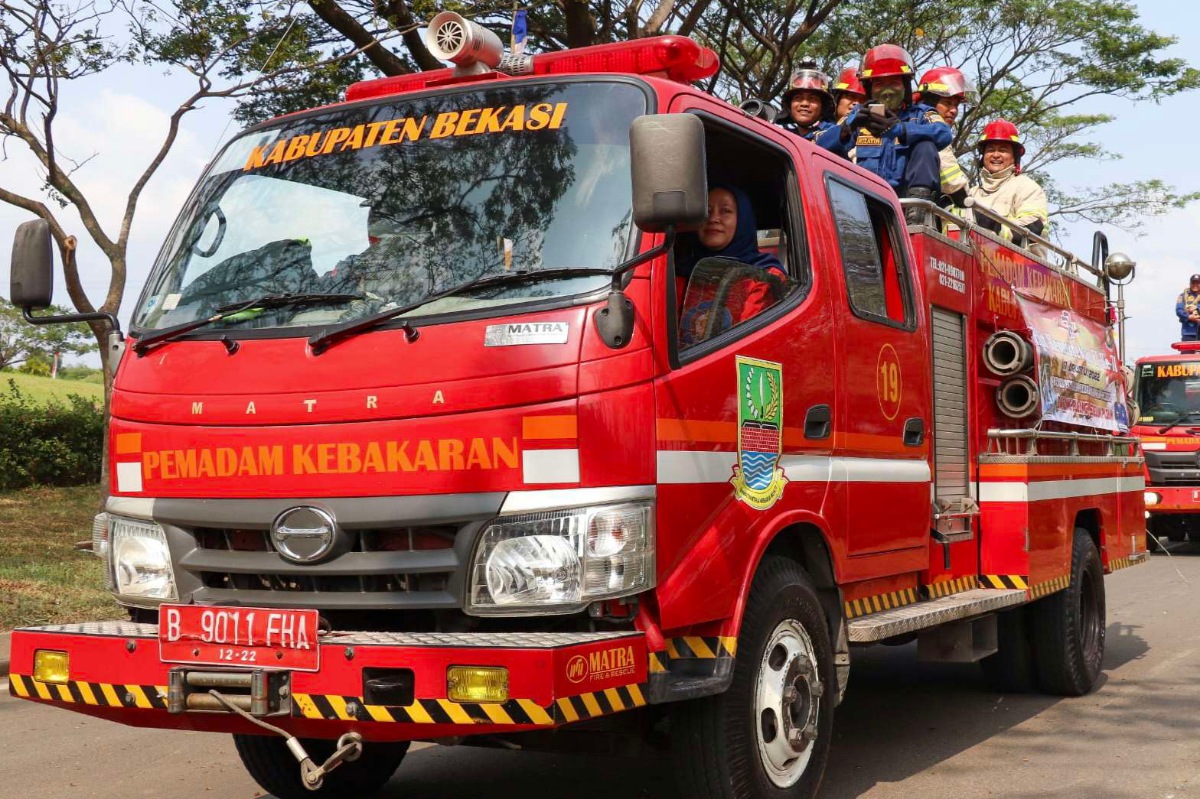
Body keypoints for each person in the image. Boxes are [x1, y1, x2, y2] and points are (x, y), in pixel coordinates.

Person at [814, 44, 952, 223]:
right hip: (865, 205)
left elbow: (944, 134)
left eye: (894, 82)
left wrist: (901, 130)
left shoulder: (921, 115)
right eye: (879, 83)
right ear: (869, 88)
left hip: (905, 207)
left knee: (925, 144)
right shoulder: (858, 116)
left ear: (905, 86)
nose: (887, 90)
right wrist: (847, 129)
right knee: (835, 151)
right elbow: (819, 147)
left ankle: (917, 214)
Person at [677, 185, 788, 345]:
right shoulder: (678, 274)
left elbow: (750, 344)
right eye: (706, 211)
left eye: (725, 211)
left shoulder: (764, 277)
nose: (713, 218)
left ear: (743, 220)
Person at [967, 119, 1049, 248]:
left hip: (1020, 265)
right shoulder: (972, 193)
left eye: (1003, 150)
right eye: (990, 150)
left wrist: (995, 226)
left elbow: (1034, 227)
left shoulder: (1027, 187)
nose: (996, 155)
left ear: (1014, 157)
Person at [914, 66, 974, 207]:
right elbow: (952, 180)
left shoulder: (911, 121)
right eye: (947, 103)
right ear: (929, 102)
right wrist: (969, 203)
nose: (953, 110)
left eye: (956, 104)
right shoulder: (932, 124)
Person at [776, 62, 836, 140]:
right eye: (798, 98)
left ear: (823, 106)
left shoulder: (835, 136)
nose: (804, 103)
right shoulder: (781, 138)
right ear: (789, 105)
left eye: (813, 98)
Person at [1176, 274, 1200, 341]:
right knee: (1187, 351)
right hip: (1188, 332)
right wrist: (1189, 317)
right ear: (1190, 283)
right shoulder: (1182, 296)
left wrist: (1197, 308)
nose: (1195, 285)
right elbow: (1178, 310)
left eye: (1198, 283)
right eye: (1193, 282)